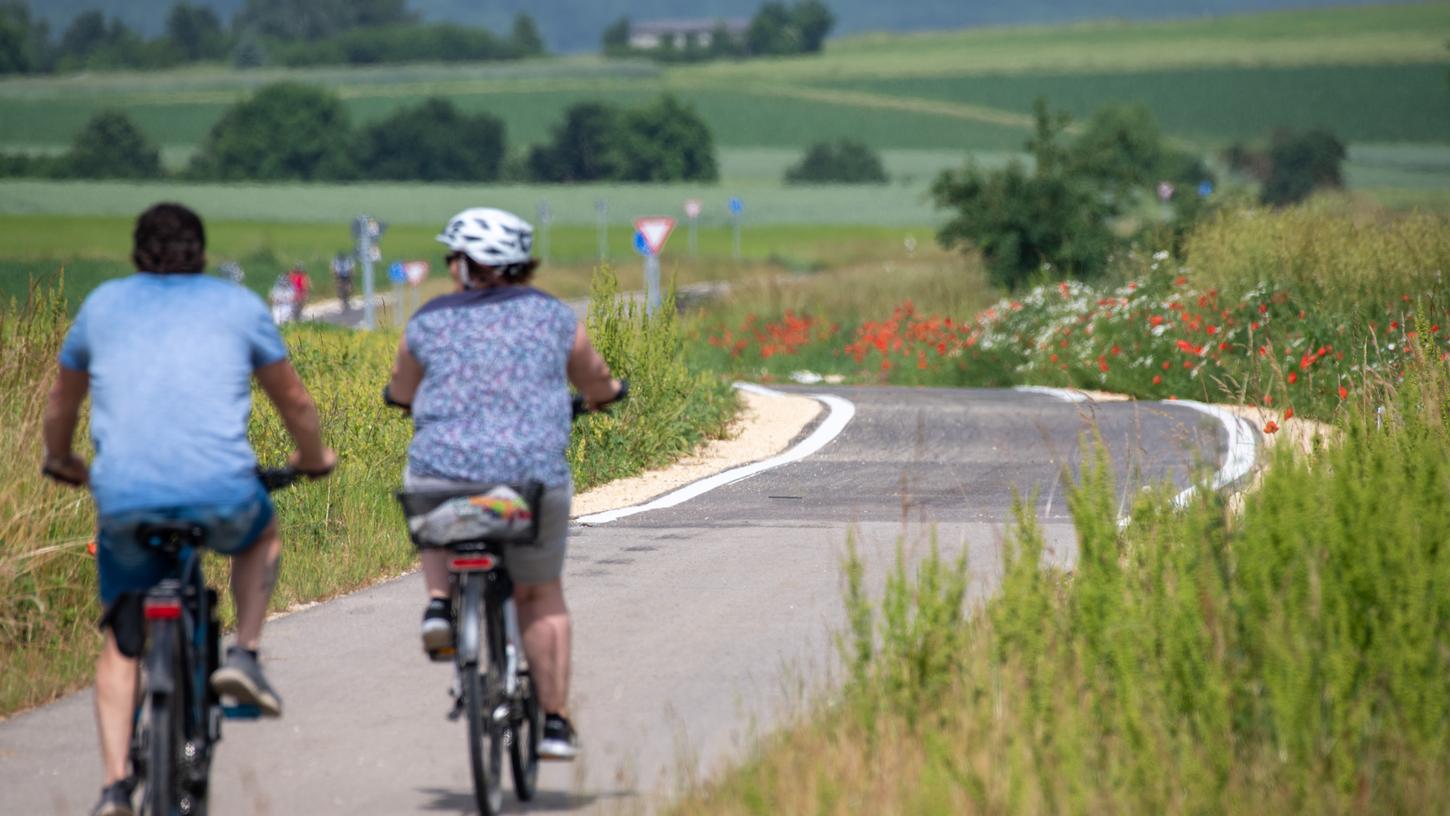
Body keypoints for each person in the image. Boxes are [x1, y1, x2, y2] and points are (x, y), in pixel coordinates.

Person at [41, 203, 337, 816]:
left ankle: (116, 785)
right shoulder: (237, 308)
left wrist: (61, 459)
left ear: (137, 253)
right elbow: (295, 402)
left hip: (124, 497)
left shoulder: (103, 307)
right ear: (199, 254)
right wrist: (312, 458)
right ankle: (247, 656)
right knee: (261, 536)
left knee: (123, 643)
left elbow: (61, 403)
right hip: (221, 492)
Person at [385, 207, 622, 762]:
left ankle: (440, 605)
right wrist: (605, 394)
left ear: (464, 263)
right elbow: (596, 380)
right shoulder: (555, 319)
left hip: (440, 479)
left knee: (434, 496)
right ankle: (556, 723)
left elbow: (402, 392)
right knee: (540, 595)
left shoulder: (428, 321)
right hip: (528, 483)